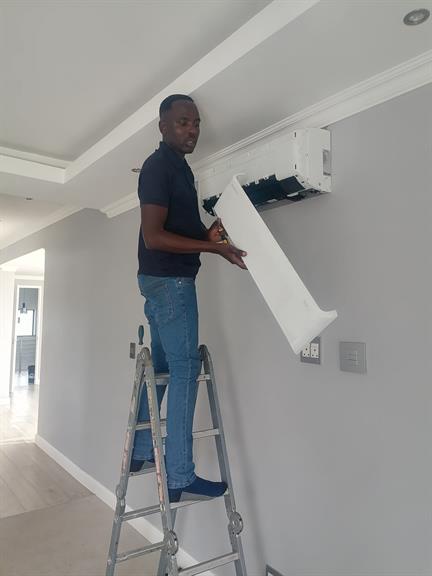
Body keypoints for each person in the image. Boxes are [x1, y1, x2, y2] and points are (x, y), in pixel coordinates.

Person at [132, 94, 246, 503]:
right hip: (171, 283)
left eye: (196, 122)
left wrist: (209, 238)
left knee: (165, 367)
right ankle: (179, 474)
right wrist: (211, 248)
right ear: (163, 126)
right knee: (184, 370)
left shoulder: (181, 169)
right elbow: (154, 236)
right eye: (183, 122)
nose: (192, 129)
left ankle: (140, 451)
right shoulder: (157, 167)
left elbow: (179, 228)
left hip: (162, 281)